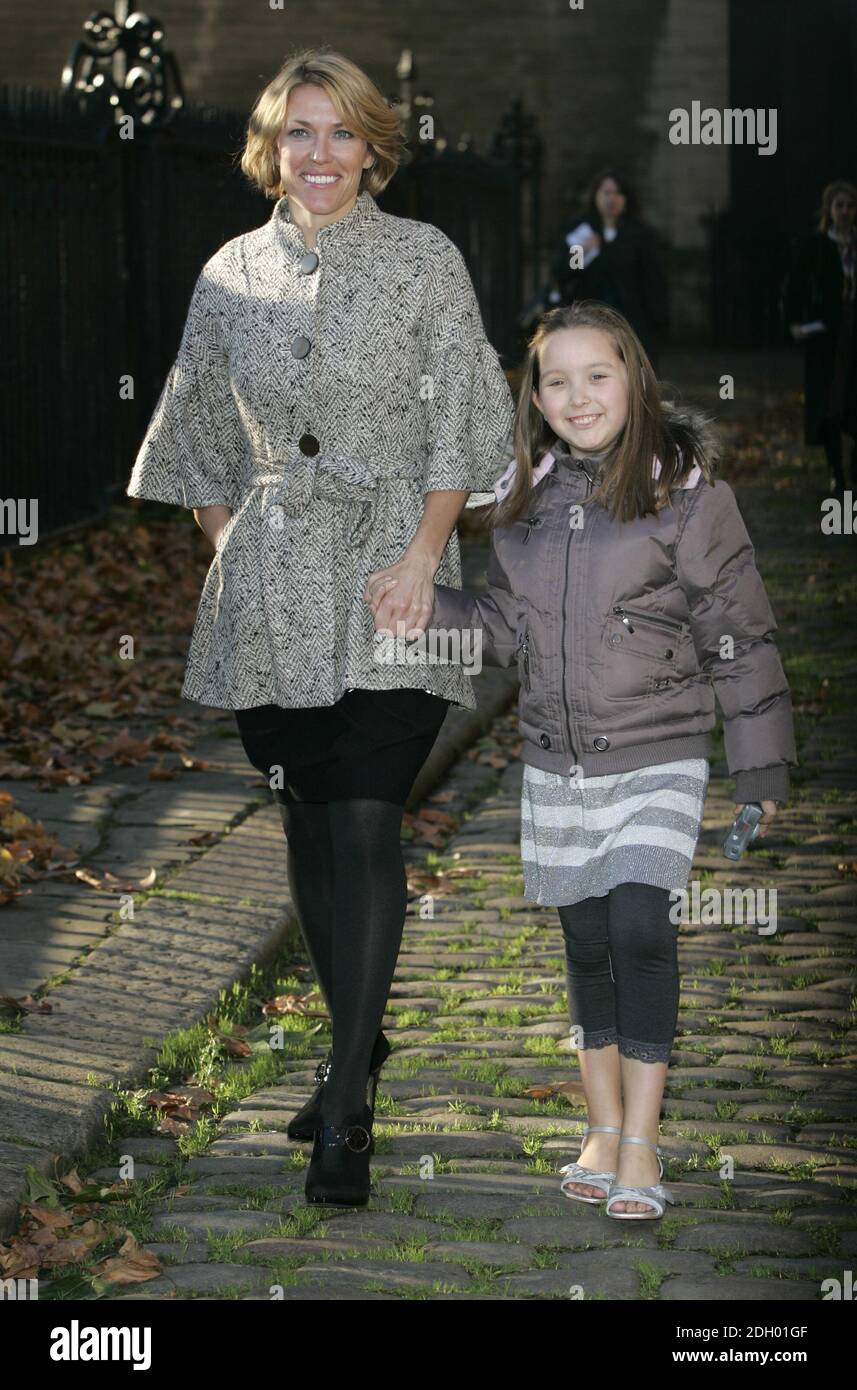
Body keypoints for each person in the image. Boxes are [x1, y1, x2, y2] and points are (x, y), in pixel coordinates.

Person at [125, 47, 514, 1207]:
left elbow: (465, 419)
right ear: (269, 149)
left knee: (364, 815)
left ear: (373, 146)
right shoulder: (227, 274)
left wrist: (418, 556)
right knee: (303, 813)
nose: (321, 154)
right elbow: (192, 437)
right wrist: (231, 558)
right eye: (299, 132)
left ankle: (347, 1099)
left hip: (392, 573)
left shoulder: (422, 260)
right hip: (273, 592)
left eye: (341, 132)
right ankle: (360, 1034)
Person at [368, 301, 797, 1219]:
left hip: (657, 754)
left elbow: (742, 637)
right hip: (557, 767)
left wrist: (759, 771)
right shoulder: (522, 505)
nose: (576, 395)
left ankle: (641, 1140)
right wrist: (419, 616)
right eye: (554, 381)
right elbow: (499, 632)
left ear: (632, 377)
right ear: (535, 397)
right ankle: (600, 1130)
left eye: (595, 374)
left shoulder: (684, 493)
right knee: (586, 941)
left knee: (640, 929)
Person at [550, 169, 669, 369]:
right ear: (596, 196)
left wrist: (657, 322)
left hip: (631, 321)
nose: (611, 199)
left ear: (626, 199)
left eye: (618, 193)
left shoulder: (640, 234)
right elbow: (566, 273)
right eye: (606, 193)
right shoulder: (581, 229)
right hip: (589, 318)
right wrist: (583, 250)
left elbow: (652, 280)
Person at [783, 179, 857, 497]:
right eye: (839, 205)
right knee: (830, 403)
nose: (845, 212)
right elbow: (796, 287)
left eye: (850, 206)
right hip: (828, 336)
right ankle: (836, 471)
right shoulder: (816, 246)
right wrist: (796, 322)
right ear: (829, 210)